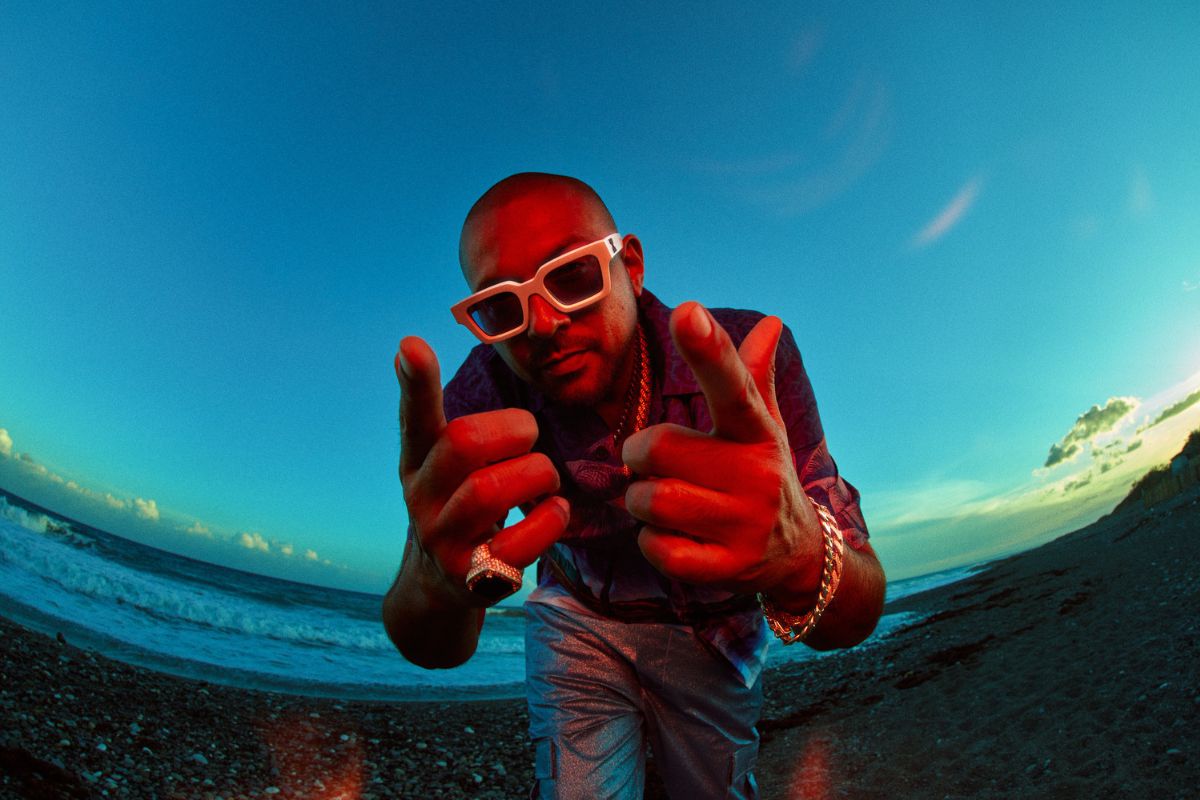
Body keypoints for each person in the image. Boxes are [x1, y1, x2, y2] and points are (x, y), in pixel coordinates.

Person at [382, 173, 886, 799]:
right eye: (501, 307)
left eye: (571, 275)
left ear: (632, 266)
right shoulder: (476, 405)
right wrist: (437, 580)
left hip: (714, 633)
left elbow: (857, 608)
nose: (541, 324)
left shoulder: (743, 362)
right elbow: (434, 644)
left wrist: (802, 552)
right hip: (578, 621)